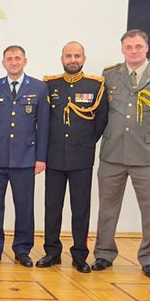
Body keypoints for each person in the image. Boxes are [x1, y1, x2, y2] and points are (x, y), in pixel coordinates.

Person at [93, 29, 150, 278]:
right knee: (107, 208)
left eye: (138, 46)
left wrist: (147, 134)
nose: (134, 51)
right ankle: (103, 253)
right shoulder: (109, 75)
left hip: (146, 153)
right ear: (122, 49)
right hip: (113, 152)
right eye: (129, 47)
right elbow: (103, 112)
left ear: (147, 48)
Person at [40, 42, 107, 273]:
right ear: (62, 59)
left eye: (77, 56)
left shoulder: (95, 85)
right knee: (52, 207)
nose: (72, 60)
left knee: (80, 209)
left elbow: (100, 121)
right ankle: (52, 252)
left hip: (81, 157)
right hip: (54, 155)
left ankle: (79, 254)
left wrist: (85, 143)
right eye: (68, 56)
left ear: (84, 59)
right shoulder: (50, 85)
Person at [0, 45, 49, 267]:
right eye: (9, 59)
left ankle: (22, 250)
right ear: (3, 63)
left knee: (24, 207)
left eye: (17, 58)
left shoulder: (39, 88)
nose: (13, 62)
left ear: (24, 61)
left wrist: (41, 158)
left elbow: (43, 126)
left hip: (25, 158)